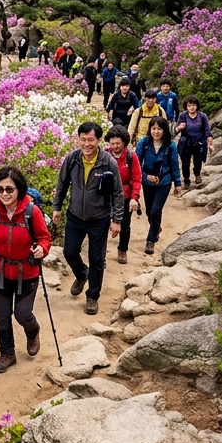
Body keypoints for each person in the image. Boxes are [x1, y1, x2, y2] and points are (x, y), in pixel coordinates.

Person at [0, 166, 51, 373]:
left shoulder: (32, 212)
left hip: (27, 272)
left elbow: (44, 238)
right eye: (0, 189)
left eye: (9, 189)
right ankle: (7, 353)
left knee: (23, 314)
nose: (5, 193)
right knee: (2, 316)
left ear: (19, 189)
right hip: (2, 272)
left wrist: (42, 248)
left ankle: (33, 332)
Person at [52, 122, 124, 315]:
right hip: (75, 216)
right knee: (69, 252)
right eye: (83, 139)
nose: (86, 144)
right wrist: (57, 207)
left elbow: (117, 192)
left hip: (99, 218)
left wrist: (116, 220)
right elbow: (62, 184)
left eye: (90, 140)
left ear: (99, 140)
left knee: (97, 258)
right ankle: (82, 274)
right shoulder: (73, 159)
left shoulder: (107, 162)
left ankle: (92, 296)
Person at [136, 116, 182, 258]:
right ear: (150, 129)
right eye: (154, 128)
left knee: (156, 210)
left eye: (159, 129)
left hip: (164, 181)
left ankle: (150, 240)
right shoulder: (144, 143)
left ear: (164, 130)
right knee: (149, 211)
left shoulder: (170, 145)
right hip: (148, 181)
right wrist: (145, 177)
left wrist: (178, 183)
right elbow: (136, 165)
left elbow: (174, 164)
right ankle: (156, 228)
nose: (156, 132)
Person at [105, 126, 143, 264]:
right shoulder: (105, 155)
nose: (115, 146)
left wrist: (134, 198)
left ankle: (122, 249)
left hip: (125, 196)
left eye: (118, 143)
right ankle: (101, 254)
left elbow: (137, 178)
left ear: (124, 142)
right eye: (112, 143)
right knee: (102, 225)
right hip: (107, 196)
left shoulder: (131, 156)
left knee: (124, 226)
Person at [175, 95, 214, 190]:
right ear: (186, 106)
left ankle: (197, 175)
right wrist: (180, 127)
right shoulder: (183, 116)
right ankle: (186, 179)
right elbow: (176, 130)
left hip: (199, 142)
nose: (191, 107)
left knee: (198, 161)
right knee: (185, 163)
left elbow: (207, 130)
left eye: (193, 105)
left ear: (197, 106)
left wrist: (210, 142)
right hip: (186, 143)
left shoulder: (202, 116)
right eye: (189, 105)